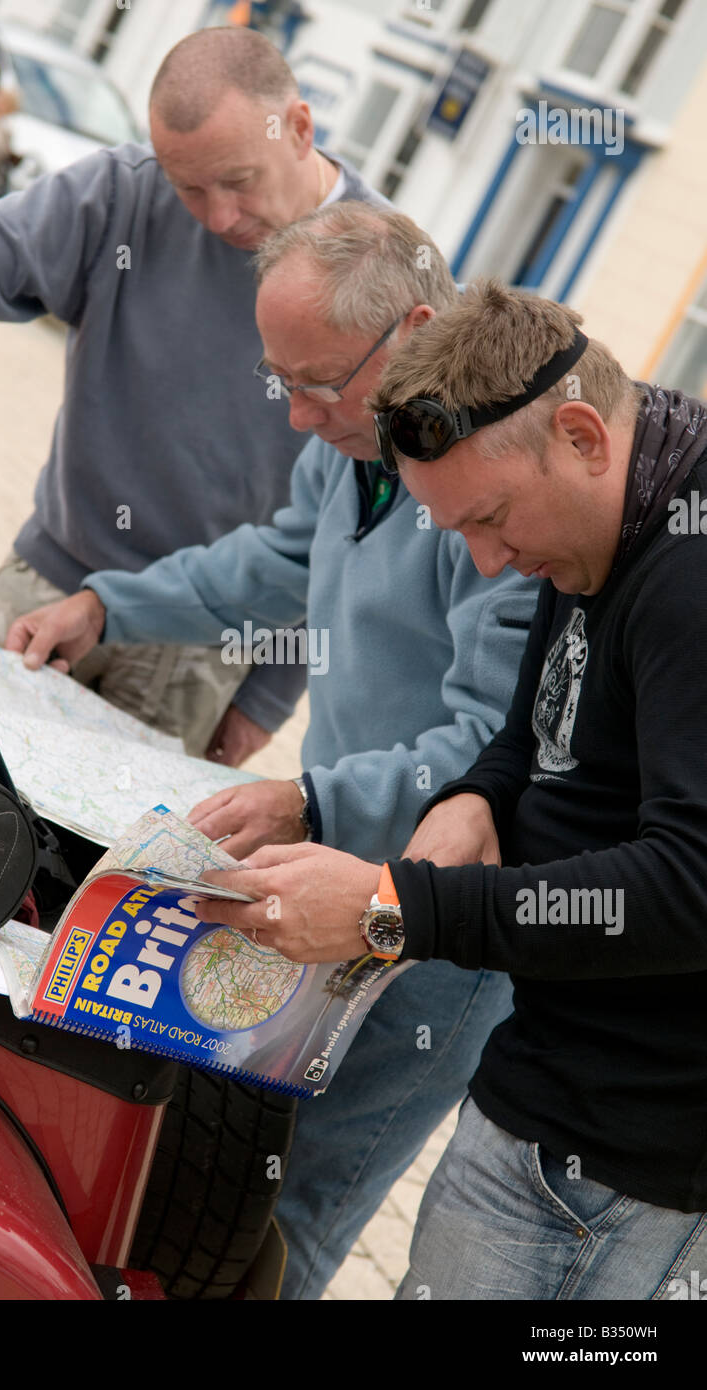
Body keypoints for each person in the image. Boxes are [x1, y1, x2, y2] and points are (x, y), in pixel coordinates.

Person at [6, 204, 539, 1298]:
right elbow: (275, 558)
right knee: (225, 1184)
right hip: (332, 858)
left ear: (413, 330)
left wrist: (310, 799)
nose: (294, 416)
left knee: (298, 1209)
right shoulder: (354, 449)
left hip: (442, 930)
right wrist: (107, 605)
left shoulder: (491, 503)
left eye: (317, 383)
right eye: (277, 381)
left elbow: (496, 751)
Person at [194, 279, 707, 1300]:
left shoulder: (686, 579)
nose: (487, 561)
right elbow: (529, 726)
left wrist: (393, 911)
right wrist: (477, 790)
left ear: (578, 434)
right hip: (539, 1082)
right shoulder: (598, 510)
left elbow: (688, 885)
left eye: (490, 518)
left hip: (636, 1160)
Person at [0, 26, 381, 763]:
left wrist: (265, 696)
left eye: (238, 181)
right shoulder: (121, 193)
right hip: (48, 582)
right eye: (188, 187)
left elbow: (360, 525)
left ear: (298, 128)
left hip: (205, 649)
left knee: (93, 874)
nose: (217, 217)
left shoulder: (385, 273)